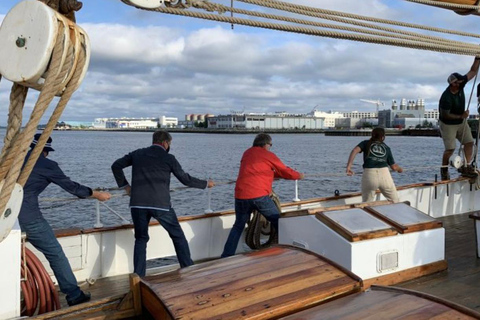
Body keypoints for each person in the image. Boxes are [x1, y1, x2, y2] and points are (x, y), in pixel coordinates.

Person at [19, 133, 111, 306]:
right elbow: (73, 188)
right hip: (29, 218)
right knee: (55, 253)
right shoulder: (47, 165)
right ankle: (74, 295)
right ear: (46, 151)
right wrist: (97, 194)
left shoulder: (13, 160)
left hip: (6, 217)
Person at [111, 130, 215, 277]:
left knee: (141, 239)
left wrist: (126, 186)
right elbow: (185, 179)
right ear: (166, 143)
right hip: (160, 204)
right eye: (169, 144)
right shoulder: (168, 158)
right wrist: (205, 184)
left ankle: (139, 276)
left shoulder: (137, 153)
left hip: (138, 204)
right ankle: (188, 268)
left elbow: (116, 165)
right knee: (177, 235)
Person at [221, 133, 304, 258]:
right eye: (270, 145)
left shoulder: (246, 153)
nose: (270, 147)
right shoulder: (268, 155)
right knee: (279, 221)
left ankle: (226, 256)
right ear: (266, 144)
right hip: (259, 196)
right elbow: (285, 170)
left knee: (238, 226)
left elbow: (258, 170)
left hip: (241, 195)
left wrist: (275, 174)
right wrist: (298, 175)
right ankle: (290, 250)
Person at [439, 56, 480, 180]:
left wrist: (477, 59)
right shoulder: (446, 97)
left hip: (461, 122)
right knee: (450, 148)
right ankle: (444, 169)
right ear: (452, 84)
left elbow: (472, 71)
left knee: (469, 142)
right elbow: (445, 114)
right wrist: (461, 115)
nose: (460, 83)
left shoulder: (461, 85)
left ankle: (467, 166)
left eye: (460, 81)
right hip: (447, 124)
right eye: (457, 82)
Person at [346, 127, 403, 203]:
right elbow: (394, 167)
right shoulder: (386, 148)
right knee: (395, 201)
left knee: (367, 203)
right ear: (383, 137)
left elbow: (354, 151)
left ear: (372, 135)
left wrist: (349, 167)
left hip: (370, 175)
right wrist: (400, 169)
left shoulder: (366, 143)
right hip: (385, 175)